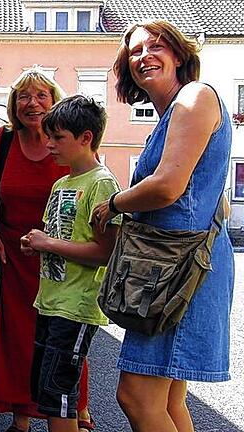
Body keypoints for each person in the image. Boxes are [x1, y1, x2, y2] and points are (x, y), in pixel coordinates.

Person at [92, 20, 234, 432]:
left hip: (180, 269)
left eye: (156, 46)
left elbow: (168, 186)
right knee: (168, 400)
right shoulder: (176, 111)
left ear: (178, 55)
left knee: (136, 395)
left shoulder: (194, 96)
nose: (143, 56)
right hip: (183, 264)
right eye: (134, 52)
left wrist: (113, 204)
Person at [0, 67, 94, 432]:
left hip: (61, 257)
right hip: (15, 255)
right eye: (24, 96)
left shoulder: (72, 140)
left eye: (42, 95)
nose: (33, 103)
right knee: (18, 336)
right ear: (14, 104)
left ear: (55, 101)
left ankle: (77, 410)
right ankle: (21, 418)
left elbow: (90, 188)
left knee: (63, 333)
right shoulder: (5, 140)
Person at [20, 95, 121, 432]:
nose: (49, 144)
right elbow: (58, 234)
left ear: (86, 137)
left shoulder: (102, 183)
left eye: (58, 137)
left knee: (59, 394)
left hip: (77, 304)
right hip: (51, 300)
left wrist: (47, 243)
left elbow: (104, 251)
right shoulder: (61, 183)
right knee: (48, 391)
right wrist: (38, 242)